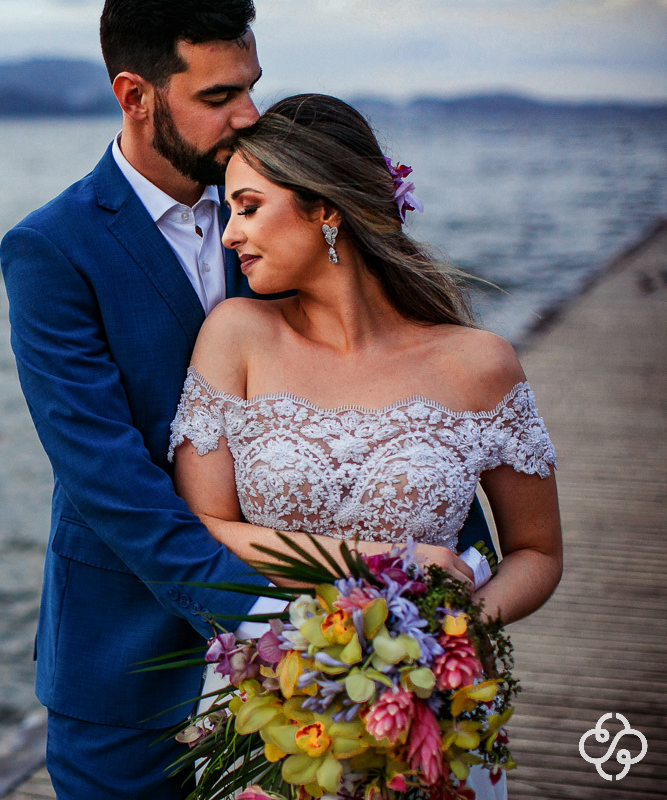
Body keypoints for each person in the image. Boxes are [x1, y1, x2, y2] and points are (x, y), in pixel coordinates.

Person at [0, 2, 491, 796]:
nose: (249, 115)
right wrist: (264, 620)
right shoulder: (52, 249)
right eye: (219, 96)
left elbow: (385, 382)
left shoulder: (282, 209)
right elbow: (105, 475)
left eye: (251, 87)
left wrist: (451, 564)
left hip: (342, 648)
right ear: (136, 96)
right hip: (127, 658)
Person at [169, 94, 564, 799]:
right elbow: (206, 526)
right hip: (273, 704)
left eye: (250, 207)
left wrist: (455, 632)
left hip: (427, 715)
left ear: (326, 209)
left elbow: (538, 552)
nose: (228, 235)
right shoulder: (237, 336)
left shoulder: (479, 364)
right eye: (229, 210)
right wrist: (388, 566)